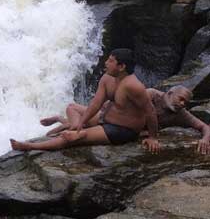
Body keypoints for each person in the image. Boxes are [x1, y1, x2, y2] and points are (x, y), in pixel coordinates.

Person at [11, 49, 160, 152]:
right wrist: (81, 124)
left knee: (70, 139)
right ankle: (74, 128)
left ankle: (30, 147)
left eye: (111, 61)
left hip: (122, 130)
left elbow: (150, 111)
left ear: (121, 66)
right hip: (104, 119)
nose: (106, 63)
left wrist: (153, 137)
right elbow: (96, 103)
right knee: (74, 117)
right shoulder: (107, 78)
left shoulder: (133, 86)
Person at [40, 85, 209, 154]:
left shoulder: (180, 113)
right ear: (170, 93)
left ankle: (62, 121)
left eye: (185, 102)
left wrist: (205, 138)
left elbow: (204, 126)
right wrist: (150, 135)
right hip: (107, 115)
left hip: (115, 125)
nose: (182, 103)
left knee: (76, 125)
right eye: (180, 99)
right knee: (75, 118)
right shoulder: (150, 94)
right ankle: (62, 120)